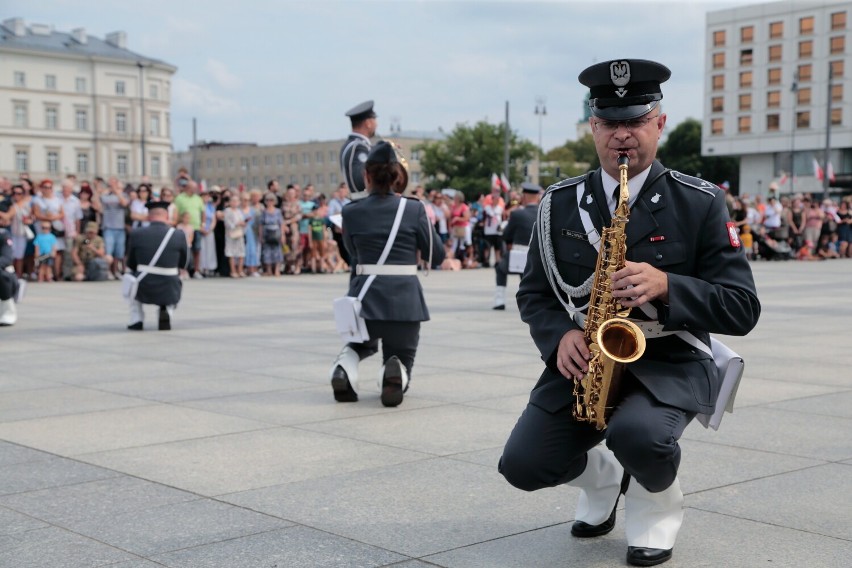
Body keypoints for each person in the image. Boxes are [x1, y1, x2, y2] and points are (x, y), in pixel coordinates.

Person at [498, 59, 761, 567]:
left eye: (636, 121)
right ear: (593, 126)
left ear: (659, 123)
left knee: (638, 436)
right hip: (588, 359)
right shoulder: (557, 203)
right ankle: (602, 478)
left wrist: (668, 286)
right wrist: (559, 339)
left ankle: (656, 505)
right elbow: (533, 293)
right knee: (522, 465)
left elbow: (742, 307)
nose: (623, 136)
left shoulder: (701, 202)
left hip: (670, 359)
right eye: (611, 123)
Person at [329, 141, 445, 407]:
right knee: (403, 353)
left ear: (366, 176)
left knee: (359, 344)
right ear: (397, 176)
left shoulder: (350, 212)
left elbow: (352, 256)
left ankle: (345, 368)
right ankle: (394, 373)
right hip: (405, 300)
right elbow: (435, 255)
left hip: (364, 298)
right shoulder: (414, 208)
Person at [125, 202, 188, 331]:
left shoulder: (137, 233)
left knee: (130, 279)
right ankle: (167, 310)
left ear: (149, 216)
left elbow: (130, 262)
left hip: (144, 283)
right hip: (169, 283)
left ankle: (136, 317)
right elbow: (185, 262)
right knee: (176, 279)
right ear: (166, 216)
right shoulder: (178, 234)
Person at [493, 182, 542, 310]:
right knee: (526, 276)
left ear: (524, 197)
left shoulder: (517, 214)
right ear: (537, 197)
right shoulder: (543, 212)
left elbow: (507, 235)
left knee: (500, 269)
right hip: (539, 254)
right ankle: (530, 303)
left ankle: (499, 301)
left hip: (520, 252)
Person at [340, 100, 377, 200]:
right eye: (375, 120)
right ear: (368, 123)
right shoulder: (358, 147)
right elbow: (360, 181)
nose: (376, 125)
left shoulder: (357, 145)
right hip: (364, 204)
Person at [0, 226, 21, 325]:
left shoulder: (3, 235)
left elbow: (7, 258)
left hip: (3, 272)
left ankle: (8, 311)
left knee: (3, 275)